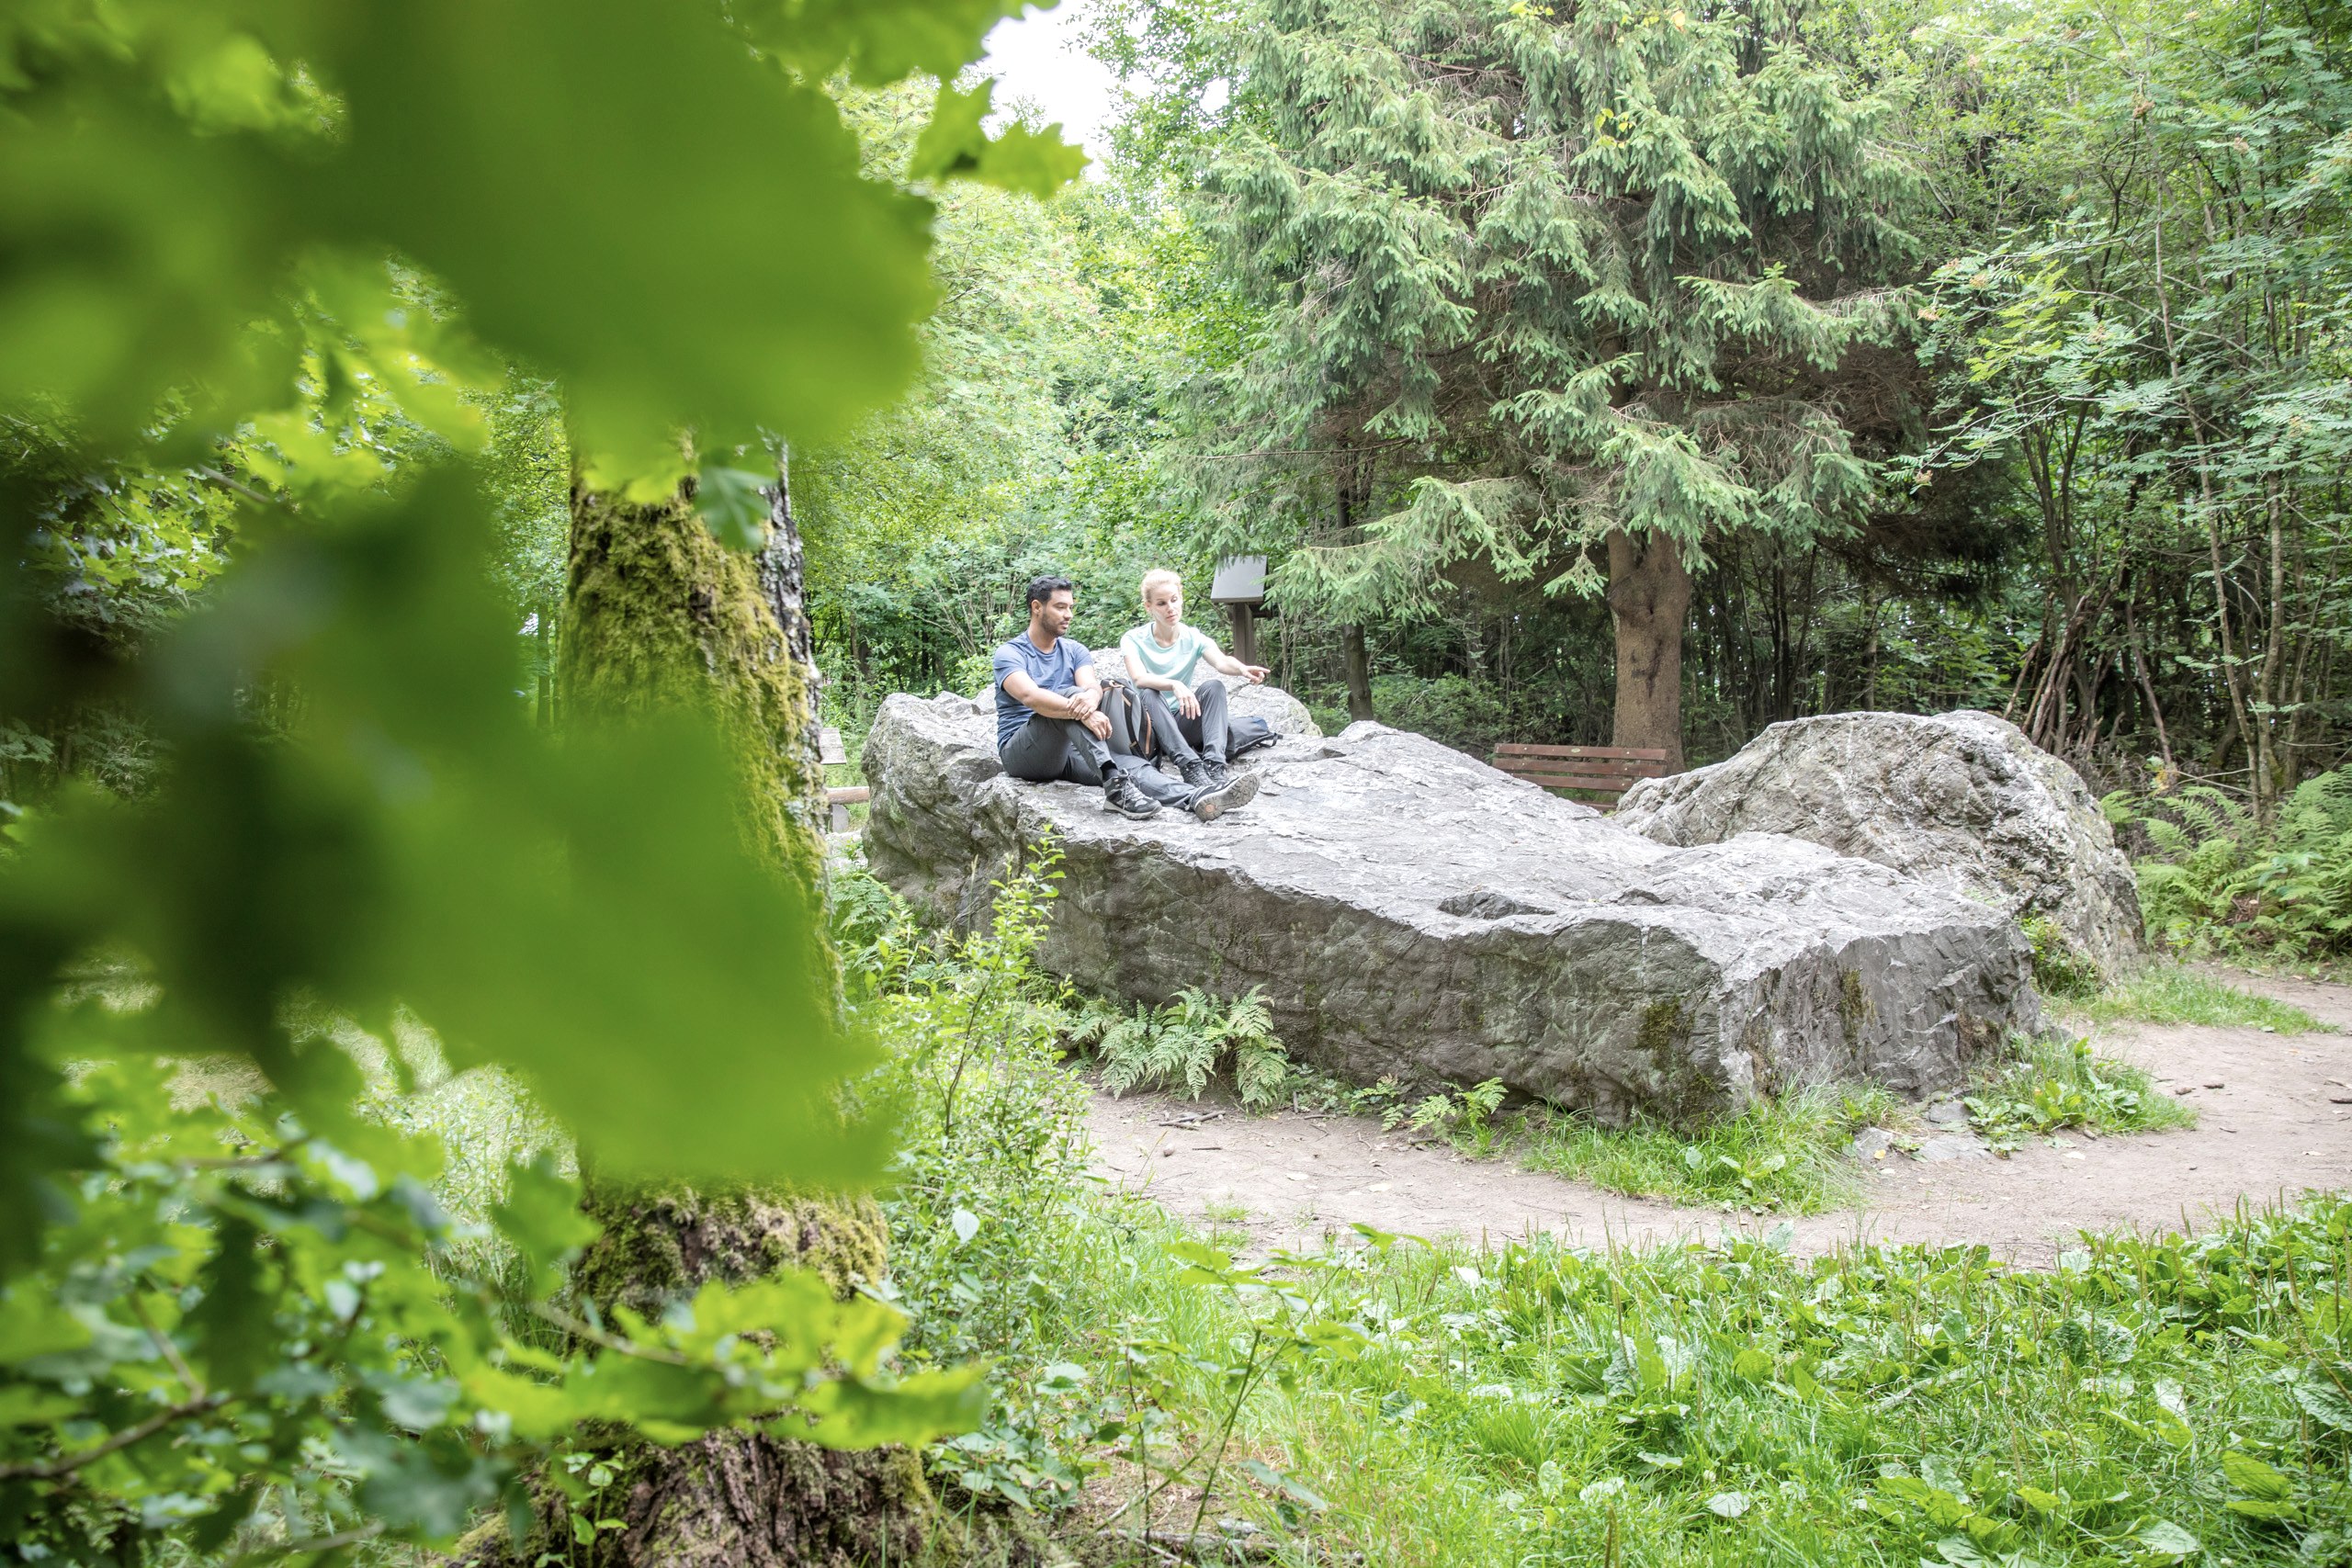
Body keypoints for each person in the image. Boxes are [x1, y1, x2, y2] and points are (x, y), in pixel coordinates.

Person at [992, 576, 1259, 823]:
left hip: (1073, 749)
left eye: (1071, 607)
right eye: (1060, 607)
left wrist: (1090, 698)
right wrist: (1085, 711)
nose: (1069, 614)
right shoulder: (1010, 653)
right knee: (1071, 696)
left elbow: (1092, 687)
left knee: (1136, 766)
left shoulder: (1075, 650)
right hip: (1026, 753)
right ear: (1037, 608)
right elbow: (1031, 697)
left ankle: (1198, 797)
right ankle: (1114, 788)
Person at [1118, 569, 1272, 790]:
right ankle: (1189, 766)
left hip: (1181, 724)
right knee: (1150, 694)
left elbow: (1221, 661)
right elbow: (1139, 678)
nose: (1170, 608)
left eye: (1174, 600)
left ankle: (1215, 765)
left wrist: (1242, 668)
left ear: (1181, 598)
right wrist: (1174, 684)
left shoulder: (1193, 637)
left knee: (1214, 687)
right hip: (1150, 728)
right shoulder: (1133, 639)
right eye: (1161, 603)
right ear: (1148, 607)